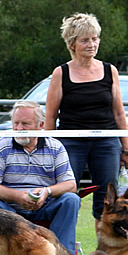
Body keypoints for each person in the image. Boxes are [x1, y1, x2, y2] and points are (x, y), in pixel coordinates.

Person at [45, 12, 128, 227]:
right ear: (72, 44)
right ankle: (66, 248)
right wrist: (48, 149)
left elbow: (119, 113)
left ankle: (105, 251)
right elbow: (51, 116)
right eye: (85, 40)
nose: (91, 44)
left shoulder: (110, 71)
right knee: (67, 192)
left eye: (94, 39)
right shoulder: (61, 73)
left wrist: (126, 148)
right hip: (71, 143)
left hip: (107, 142)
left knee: (107, 197)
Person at [0, 101, 80, 254]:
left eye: (25, 124)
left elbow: (70, 185)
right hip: (10, 210)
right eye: (16, 123)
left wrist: (47, 192)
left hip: (46, 207)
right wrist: (18, 196)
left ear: (40, 125)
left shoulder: (55, 147)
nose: (19, 128)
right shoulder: (1, 146)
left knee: (71, 199)